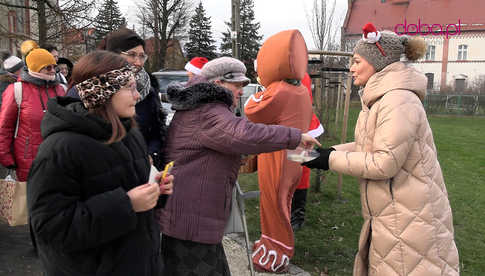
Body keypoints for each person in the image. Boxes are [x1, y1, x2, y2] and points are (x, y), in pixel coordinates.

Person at [302, 23, 459, 275]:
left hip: (411, 221)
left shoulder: (397, 99)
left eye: (356, 61)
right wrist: (327, 151)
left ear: (377, 61)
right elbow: (370, 147)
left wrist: (328, 159)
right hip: (395, 216)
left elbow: (384, 162)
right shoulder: (380, 99)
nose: (351, 68)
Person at [158, 56, 320, 275]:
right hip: (191, 221)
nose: (242, 91)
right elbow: (244, 134)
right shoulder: (208, 111)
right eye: (236, 85)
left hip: (192, 217)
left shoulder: (202, 107)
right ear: (217, 84)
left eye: (243, 85)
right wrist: (295, 136)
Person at [27, 50, 174, 275]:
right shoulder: (60, 149)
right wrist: (126, 205)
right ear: (103, 93)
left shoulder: (130, 132)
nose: (138, 96)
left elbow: (135, 193)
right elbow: (50, 228)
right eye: (129, 88)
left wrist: (156, 191)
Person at [68, 28, 168, 169]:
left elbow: (157, 132)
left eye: (142, 56)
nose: (138, 62)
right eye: (132, 55)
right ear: (113, 55)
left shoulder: (149, 90)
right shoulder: (89, 90)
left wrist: (151, 155)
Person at [0, 48, 65, 181]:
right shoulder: (16, 90)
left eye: (54, 67)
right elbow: (4, 127)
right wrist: (6, 157)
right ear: (35, 68)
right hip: (28, 161)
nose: (53, 71)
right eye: (48, 67)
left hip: (60, 158)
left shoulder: (61, 89)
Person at [290, 73, 324, 231]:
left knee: (301, 170)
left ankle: (297, 215)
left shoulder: (299, 75)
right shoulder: (290, 72)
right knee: (290, 169)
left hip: (302, 125)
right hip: (291, 125)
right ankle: (290, 211)